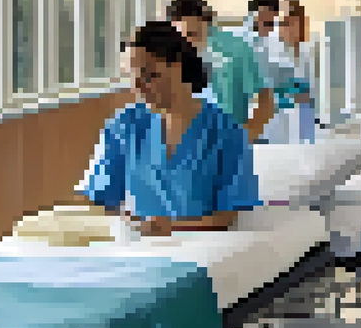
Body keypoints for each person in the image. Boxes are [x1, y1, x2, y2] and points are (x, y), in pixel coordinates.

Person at [75, 20, 260, 236]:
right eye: (133, 78)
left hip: (202, 249)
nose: (139, 88)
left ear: (178, 66)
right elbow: (99, 199)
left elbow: (226, 216)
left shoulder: (226, 133)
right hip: (136, 248)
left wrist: (170, 228)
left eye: (149, 76)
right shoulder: (124, 126)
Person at [167, 0, 276, 142]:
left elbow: (265, 99)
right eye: (182, 37)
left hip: (227, 140)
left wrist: (246, 136)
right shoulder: (168, 56)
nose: (188, 43)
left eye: (194, 34)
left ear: (207, 25)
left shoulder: (237, 50)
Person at [262, 0, 318, 144]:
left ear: (300, 22)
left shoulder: (311, 53)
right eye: (281, 22)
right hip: (278, 130)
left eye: (288, 21)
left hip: (306, 127)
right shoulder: (269, 54)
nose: (283, 27)